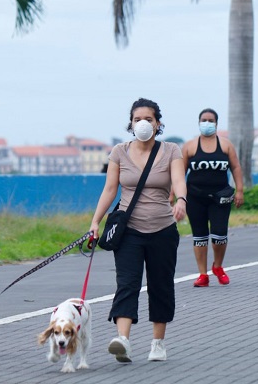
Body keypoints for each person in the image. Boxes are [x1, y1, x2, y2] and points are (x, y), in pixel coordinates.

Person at [89, 98, 187, 364]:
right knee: (127, 284)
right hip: (129, 231)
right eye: (137, 119)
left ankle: (158, 343)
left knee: (160, 285)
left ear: (158, 123)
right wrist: (95, 222)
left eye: (148, 119)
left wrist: (181, 200)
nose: (143, 123)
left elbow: (179, 180)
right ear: (130, 124)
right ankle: (123, 340)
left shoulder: (171, 150)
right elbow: (110, 189)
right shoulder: (119, 152)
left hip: (163, 230)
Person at [181, 108, 244, 287]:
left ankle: (218, 266)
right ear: (199, 122)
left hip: (220, 197)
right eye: (204, 120)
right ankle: (203, 274)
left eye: (210, 120)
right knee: (199, 236)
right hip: (195, 197)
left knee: (219, 235)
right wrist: (176, 196)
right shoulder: (190, 146)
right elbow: (180, 171)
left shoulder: (225, 145)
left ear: (216, 123)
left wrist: (239, 190)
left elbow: (236, 168)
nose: (207, 123)